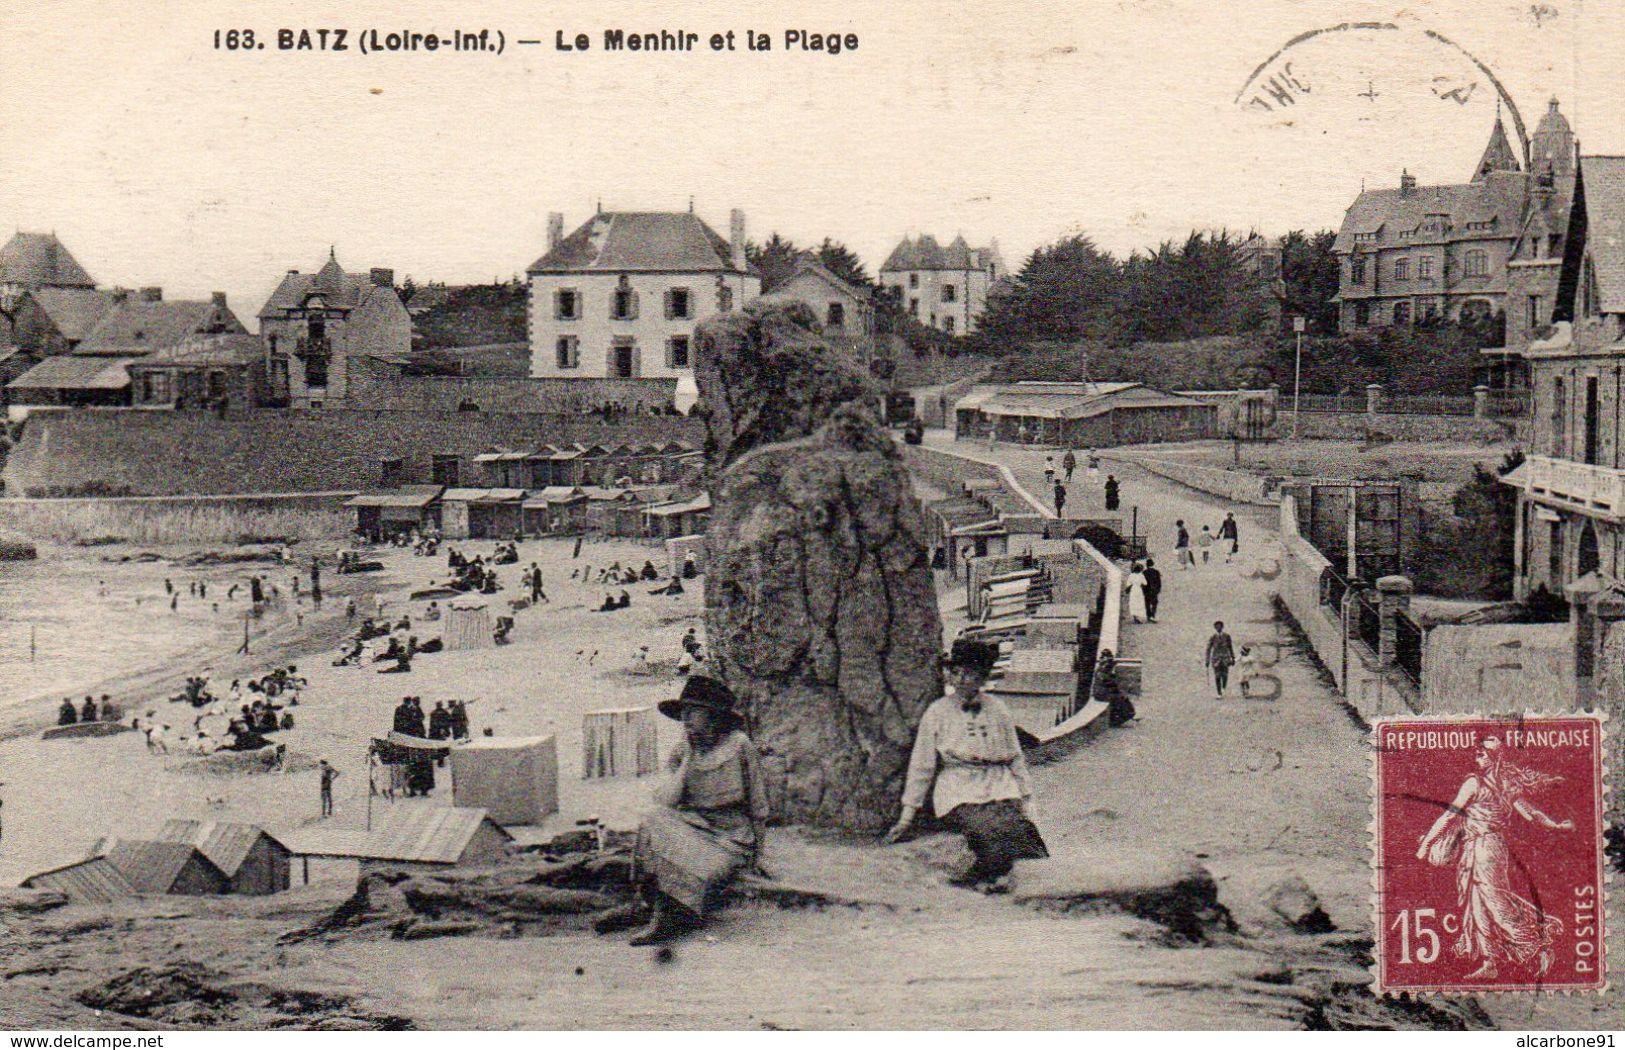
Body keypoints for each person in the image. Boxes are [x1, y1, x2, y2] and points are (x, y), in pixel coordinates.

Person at [615, 675, 769, 945]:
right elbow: (666, 800)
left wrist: (758, 854)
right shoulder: (683, 749)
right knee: (652, 820)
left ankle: (665, 918)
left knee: (690, 860)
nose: (685, 718)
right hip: (693, 826)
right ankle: (643, 904)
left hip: (730, 837)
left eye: (693, 711)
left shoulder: (740, 745)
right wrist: (688, 760)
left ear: (713, 716)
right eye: (683, 712)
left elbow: (758, 805)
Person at [886, 639, 1047, 889]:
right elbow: (922, 765)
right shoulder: (937, 712)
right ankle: (984, 880)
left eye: (969, 673)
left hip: (998, 782)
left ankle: (1021, 881)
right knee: (985, 828)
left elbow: (1015, 756)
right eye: (955, 672)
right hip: (959, 786)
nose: (961, 679)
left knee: (1019, 829)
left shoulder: (998, 709)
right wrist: (907, 815)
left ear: (982, 677)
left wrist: (1026, 797)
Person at [1414, 737, 1572, 980]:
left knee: (1496, 902)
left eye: (1483, 752)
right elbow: (1530, 813)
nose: (1477, 754)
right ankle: (1490, 962)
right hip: (1483, 847)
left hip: (1484, 848)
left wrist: (1425, 845)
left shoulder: (1473, 783)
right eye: (1477, 751)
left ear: (1494, 757)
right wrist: (1555, 825)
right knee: (1477, 903)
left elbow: (1449, 815)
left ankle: (1536, 946)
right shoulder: (1506, 784)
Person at [1092, 649, 1135, 727]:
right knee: (1120, 699)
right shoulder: (1103, 668)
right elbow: (1108, 681)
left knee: (1121, 698)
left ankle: (1119, 718)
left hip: (1101, 692)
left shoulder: (1102, 667)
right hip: (1103, 693)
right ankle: (1117, 720)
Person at [1205, 621, 1236, 699]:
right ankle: (1219, 693)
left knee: (1225, 675)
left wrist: (1233, 658)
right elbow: (1208, 649)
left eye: (1220, 626)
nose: (1218, 628)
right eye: (1217, 627)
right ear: (1215, 628)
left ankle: (1223, 688)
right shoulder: (1213, 637)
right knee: (1217, 676)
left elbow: (1230, 647)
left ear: (1222, 627)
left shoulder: (1227, 636)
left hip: (1225, 658)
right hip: (1216, 659)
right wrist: (1207, 660)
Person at [1142, 558, 1162, 622]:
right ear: (1153, 564)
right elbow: (1159, 582)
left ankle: (1148, 615)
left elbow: (1143, 583)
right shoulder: (1156, 572)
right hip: (1154, 590)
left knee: (1147, 603)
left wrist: (1143, 591)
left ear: (1147, 565)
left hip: (1147, 590)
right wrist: (1158, 589)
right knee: (1154, 603)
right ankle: (1153, 615)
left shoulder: (1144, 572)